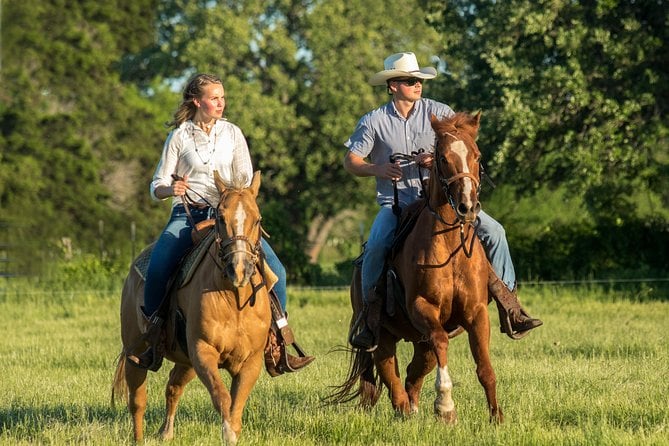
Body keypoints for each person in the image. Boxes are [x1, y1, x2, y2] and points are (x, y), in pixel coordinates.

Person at [344, 52, 542, 351]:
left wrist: (436, 159)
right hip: (397, 205)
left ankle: (510, 305)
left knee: (495, 232)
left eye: (419, 80)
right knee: (376, 246)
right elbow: (351, 161)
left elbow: (460, 145)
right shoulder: (374, 121)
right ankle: (369, 315)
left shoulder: (440, 112)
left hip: (442, 204)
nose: (417, 85)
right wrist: (377, 168)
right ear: (393, 85)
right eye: (410, 81)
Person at [127, 73, 314, 373]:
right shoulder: (179, 136)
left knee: (277, 270)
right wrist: (169, 189)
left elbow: (244, 177)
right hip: (188, 215)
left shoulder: (232, 133)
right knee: (159, 267)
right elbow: (156, 184)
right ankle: (153, 341)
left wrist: (234, 198)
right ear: (196, 100)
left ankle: (277, 342)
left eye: (223, 97)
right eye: (215, 98)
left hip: (230, 217)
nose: (220, 103)